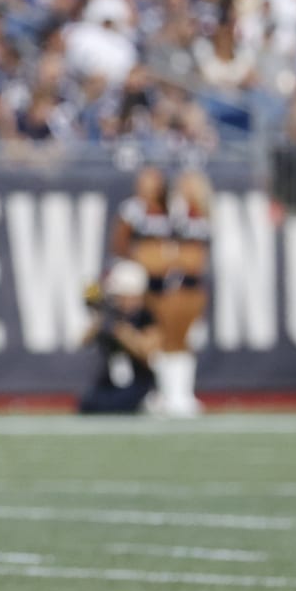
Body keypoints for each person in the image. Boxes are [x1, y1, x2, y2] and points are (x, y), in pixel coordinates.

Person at [111, 167, 189, 414]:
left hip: (167, 284)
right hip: (141, 285)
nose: (146, 186)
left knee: (174, 338)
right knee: (142, 339)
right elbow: (120, 244)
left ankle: (177, 393)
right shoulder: (132, 210)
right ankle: (154, 392)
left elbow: (181, 243)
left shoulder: (174, 208)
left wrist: (172, 267)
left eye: (151, 182)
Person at [160, 169, 212, 415]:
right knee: (171, 340)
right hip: (173, 283)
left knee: (189, 340)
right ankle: (169, 394)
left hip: (194, 284)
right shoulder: (172, 212)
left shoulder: (202, 214)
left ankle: (183, 393)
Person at [78, 260, 159, 414]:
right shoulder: (111, 314)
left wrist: (120, 330)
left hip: (139, 380)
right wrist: (98, 317)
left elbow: (147, 351)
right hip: (111, 380)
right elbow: (82, 341)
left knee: (117, 405)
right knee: (88, 404)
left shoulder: (145, 317)